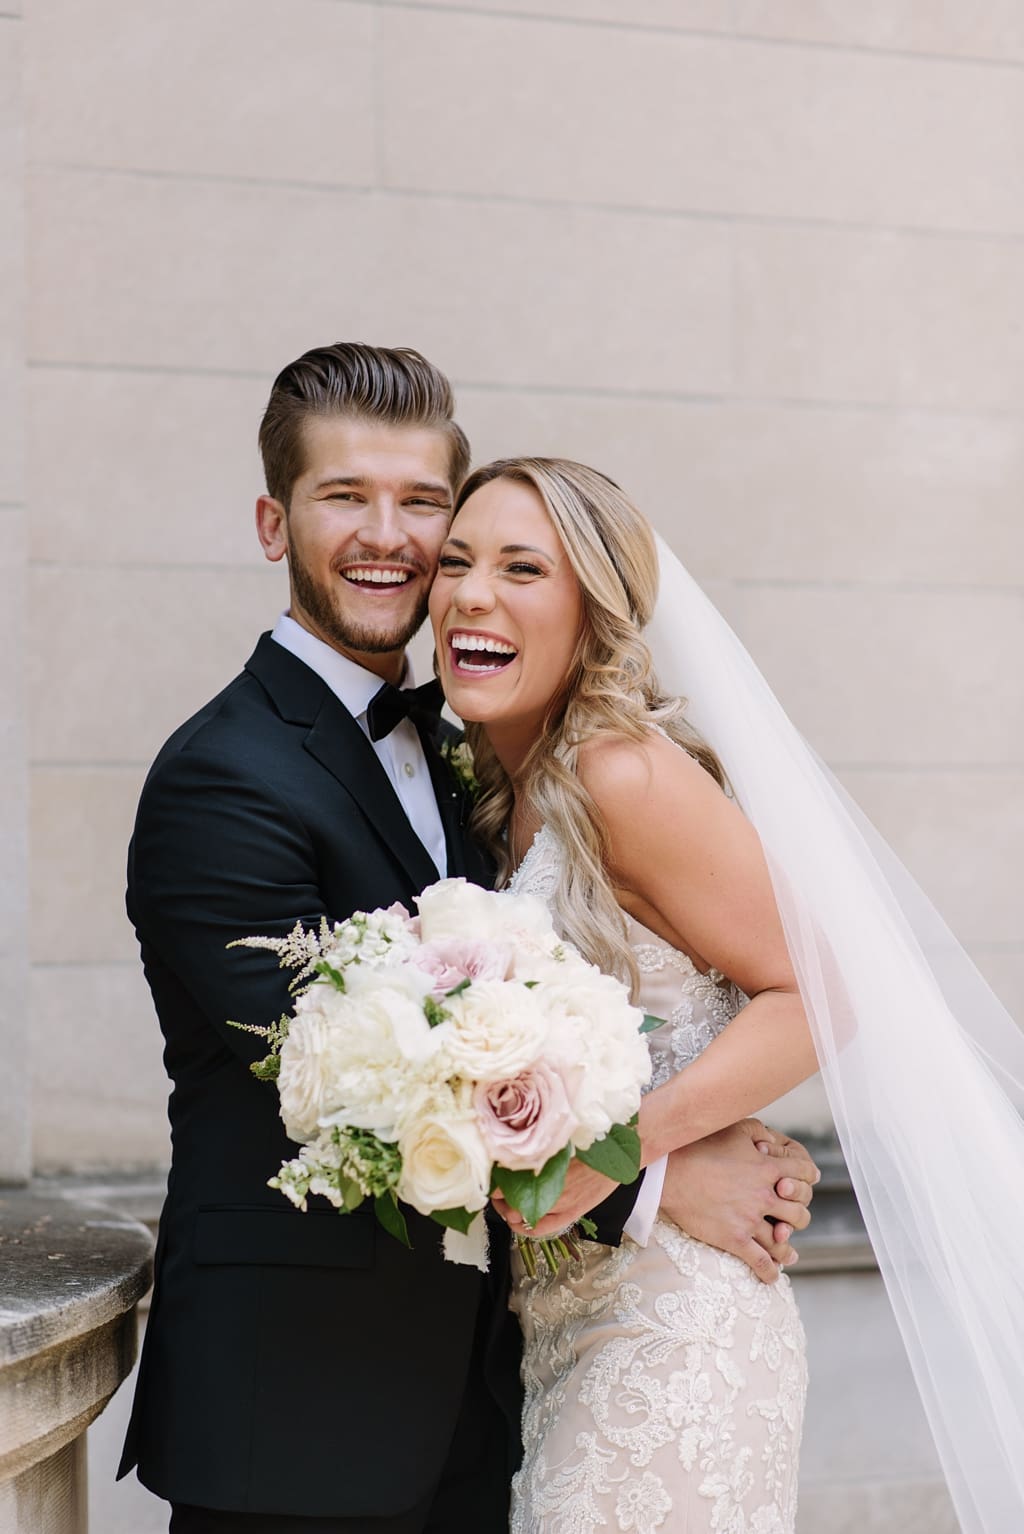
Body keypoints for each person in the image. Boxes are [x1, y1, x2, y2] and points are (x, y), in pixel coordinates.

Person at [118, 345, 819, 1533]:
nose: (388, 538)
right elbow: (338, 1083)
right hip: (302, 1411)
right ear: (272, 520)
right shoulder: (220, 778)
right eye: (345, 495)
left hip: (487, 1391)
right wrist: (648, 1181)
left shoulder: (482, 763)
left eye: (422, 507)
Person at [429, 454, 1024, 1534]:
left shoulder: (622, 773)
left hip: (675, 1336)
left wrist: (622, 1151)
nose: (473, 591)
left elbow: (823, 994)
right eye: (458, 561)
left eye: (523, 567)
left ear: (590, 612)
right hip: (566, 1325)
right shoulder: (503, 795)